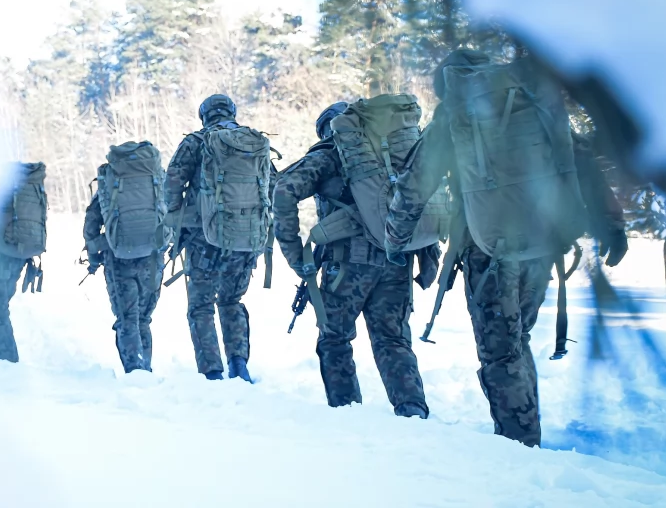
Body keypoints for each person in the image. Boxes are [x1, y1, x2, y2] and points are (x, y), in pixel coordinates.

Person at [385, 50, 628, 446]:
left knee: (500, 353)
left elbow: (416, 182)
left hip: (487, 252)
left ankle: (520, 445)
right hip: (542, 246)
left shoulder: (455, 115)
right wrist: (613, 223)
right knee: (518, 341)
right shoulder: (533, 103)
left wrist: (394, 240)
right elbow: (580, 158)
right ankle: (525, 432)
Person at [273, 102, 434, 418]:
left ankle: (348, 414)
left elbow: (283, 190)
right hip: (396, 259)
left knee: (334, 340)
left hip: (345, 265)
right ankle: (412, 407)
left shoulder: (327, 156)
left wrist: (295, 257)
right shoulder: (394, 156)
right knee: (394, 339)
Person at [165, 94, 275, 382]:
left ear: (204, 115)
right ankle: (239, 364)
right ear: (232, 112)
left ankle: (212, 372)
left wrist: (177, 222)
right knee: (231, 301)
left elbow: (172, 184)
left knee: (201, 306)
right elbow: (273, 185)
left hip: (204, 239)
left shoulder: (196, 142)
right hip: (244, 238)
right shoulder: (253, 143)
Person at [0, 162, 48, 363]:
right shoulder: (32, 192)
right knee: (0, 309)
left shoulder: (4, 197)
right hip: (18, 259)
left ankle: (6, 361)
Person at [83, 195, 164, 374]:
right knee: (143, 318)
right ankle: (145, 368)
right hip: (151, 257)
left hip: (118, 258)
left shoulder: (110, 178)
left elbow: (92, 220)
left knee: (127, 318)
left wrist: (93, 254)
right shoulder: (155, 175)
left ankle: (136, 370)